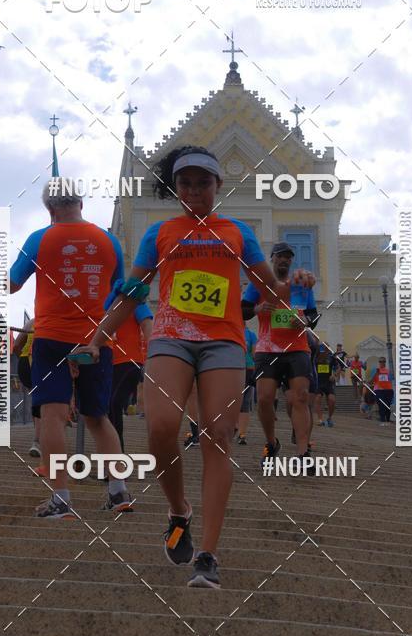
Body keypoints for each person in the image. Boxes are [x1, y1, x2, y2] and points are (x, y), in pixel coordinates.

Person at [78, 145, 313, 589]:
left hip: (223, 343)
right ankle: (178, 510)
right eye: (185, 183)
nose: (194, 191)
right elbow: (132, 291)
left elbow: (269, 291)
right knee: (161, 427)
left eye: (203, 183)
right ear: (176, 187)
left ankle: (207, 554)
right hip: (170, 337)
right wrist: (97, 338)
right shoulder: (160, 233)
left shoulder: (238, 232)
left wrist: (293, 285)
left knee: (217, 436)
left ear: (217, 186)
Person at [10, 179, 128, 517]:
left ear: (49, 209)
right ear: (81, 202)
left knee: (53, 415)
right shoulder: (110, 241)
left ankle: (61, 498)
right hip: (95, 339)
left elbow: (13, 284)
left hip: (51, 338)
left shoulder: (39, 238)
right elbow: (117, 291)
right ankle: (119, 492)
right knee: (97, 416)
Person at [241, 242, 318, 468]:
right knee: (264, 400)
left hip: (297, 348)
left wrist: (304, 321)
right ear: (272, 258)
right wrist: (257, 309)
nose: (284, 260)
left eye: (288, 257)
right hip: (267, 349)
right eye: (280, 256)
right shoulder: (260, 283)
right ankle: (271, 442)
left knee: (301, 397)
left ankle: (303, 453)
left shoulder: (300, 284)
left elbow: (313, 314)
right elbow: (242, 309)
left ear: (291, 261)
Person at [107, 292, 153, 452]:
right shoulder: (105, 302)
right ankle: (112, 460)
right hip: (108, 364)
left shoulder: (135, 302)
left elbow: (148, 325)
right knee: (107, 409)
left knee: (114, 405)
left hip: (131, 363)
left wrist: (155, 356)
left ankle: (118, 460)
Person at [13, 317, 42, 458]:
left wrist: (23, 358)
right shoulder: (58, 317)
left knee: (37, 399)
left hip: (25, 361)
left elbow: (16, 345)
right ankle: (38, 441)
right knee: (44, 401)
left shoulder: (32, 321)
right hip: (41, 361)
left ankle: (38, 438)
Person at [236, 325, 258, 444]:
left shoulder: (231, 329)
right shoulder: (251, 335)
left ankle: (239, 431)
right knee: (244, 401)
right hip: (246, 368)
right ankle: (241, 433)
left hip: (235, 368)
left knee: (236, 400)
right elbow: (255, 354)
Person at [314, 342, 337, 427]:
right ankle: (319, 419)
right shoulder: (315, 358)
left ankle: (329, 418)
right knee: (318, 398)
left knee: (332, 400)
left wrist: (334, 375)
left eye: (327, 348)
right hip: (318, 382)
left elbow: (338, 367)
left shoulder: (331, 358)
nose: (325, 350)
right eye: (323, 348)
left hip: (328, 383)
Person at [369, 356, 394, 425]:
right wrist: (377, 373)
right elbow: (371, 382)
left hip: (388, 390)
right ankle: (383, 420)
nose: (382, 363)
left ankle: (388, 420)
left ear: (385, 362)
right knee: (381, 405)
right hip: (379, 390)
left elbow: (391, 380)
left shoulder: (388, 371)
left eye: (383, 361)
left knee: (387, 406)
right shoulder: (375, 370)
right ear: (379, 362)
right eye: (380, 361)